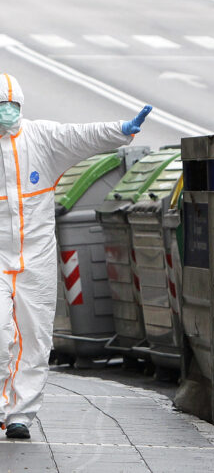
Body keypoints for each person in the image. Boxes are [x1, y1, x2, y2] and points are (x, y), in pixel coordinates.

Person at [0, 73, 152, 440]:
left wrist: (121, 130)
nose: (8, 112)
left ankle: (20, 414)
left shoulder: (41, 139)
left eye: (13, 106)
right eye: (1, 107)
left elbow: (80, 136)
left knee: (36, 338)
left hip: (35, 259)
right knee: (1, 333)